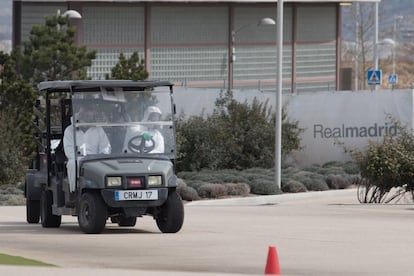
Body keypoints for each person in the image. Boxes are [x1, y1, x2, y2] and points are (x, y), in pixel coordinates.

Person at [63, 104, 111, 193]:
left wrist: (99, 156)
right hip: (78, 159)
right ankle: (74, 191)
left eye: (90, 115)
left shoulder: (98, 130)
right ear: (80, 114)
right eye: (86, 114)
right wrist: (83, 159)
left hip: (96, 159)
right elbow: (69, 151)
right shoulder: (69, 131)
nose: (88, 117)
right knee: (72, 164)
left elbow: (106, 147)